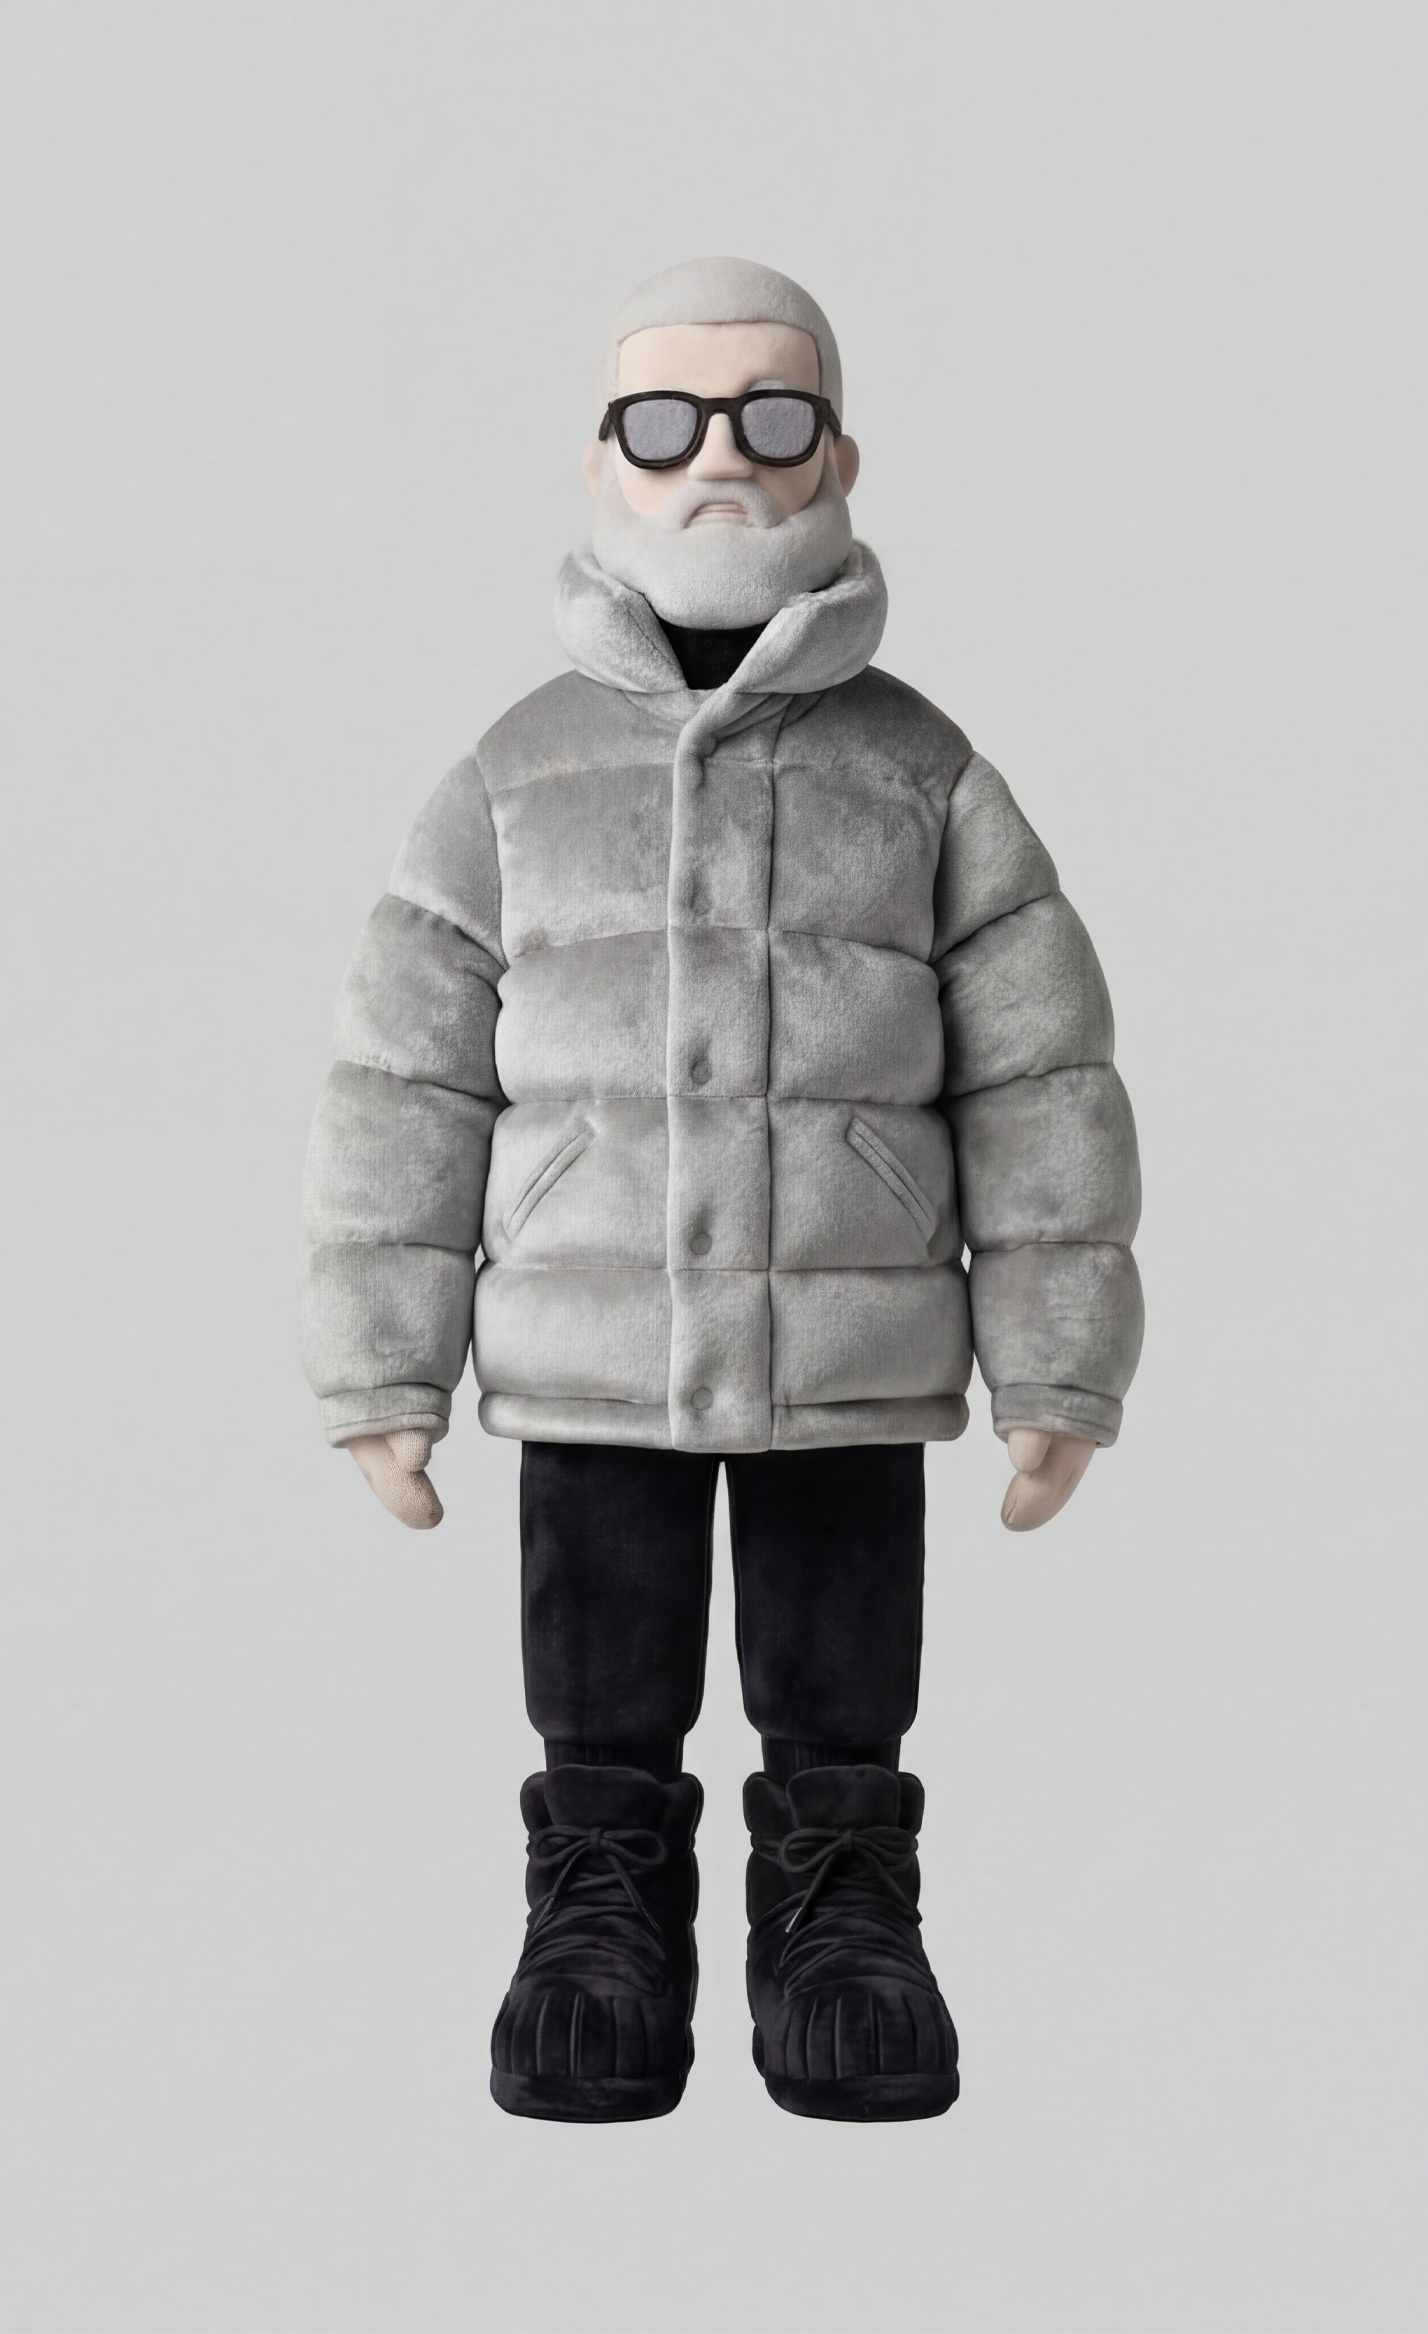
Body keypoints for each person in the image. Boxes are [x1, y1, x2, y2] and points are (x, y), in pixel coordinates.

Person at [301, 258, 1143, 2122]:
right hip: (591, 1326)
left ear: (837, 451)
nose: (719, 464)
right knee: (597, 1626)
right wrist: (382, 1362)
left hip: (849, 1327)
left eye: (769, 416)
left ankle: (842, 1904)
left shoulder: (924, 773)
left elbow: (1041, 1072)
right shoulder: (512, 780)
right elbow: (403, 1080)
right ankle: (598, 1905)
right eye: (666, 420)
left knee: (843, 1632)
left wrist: (1058, 1359)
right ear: (601, 457)